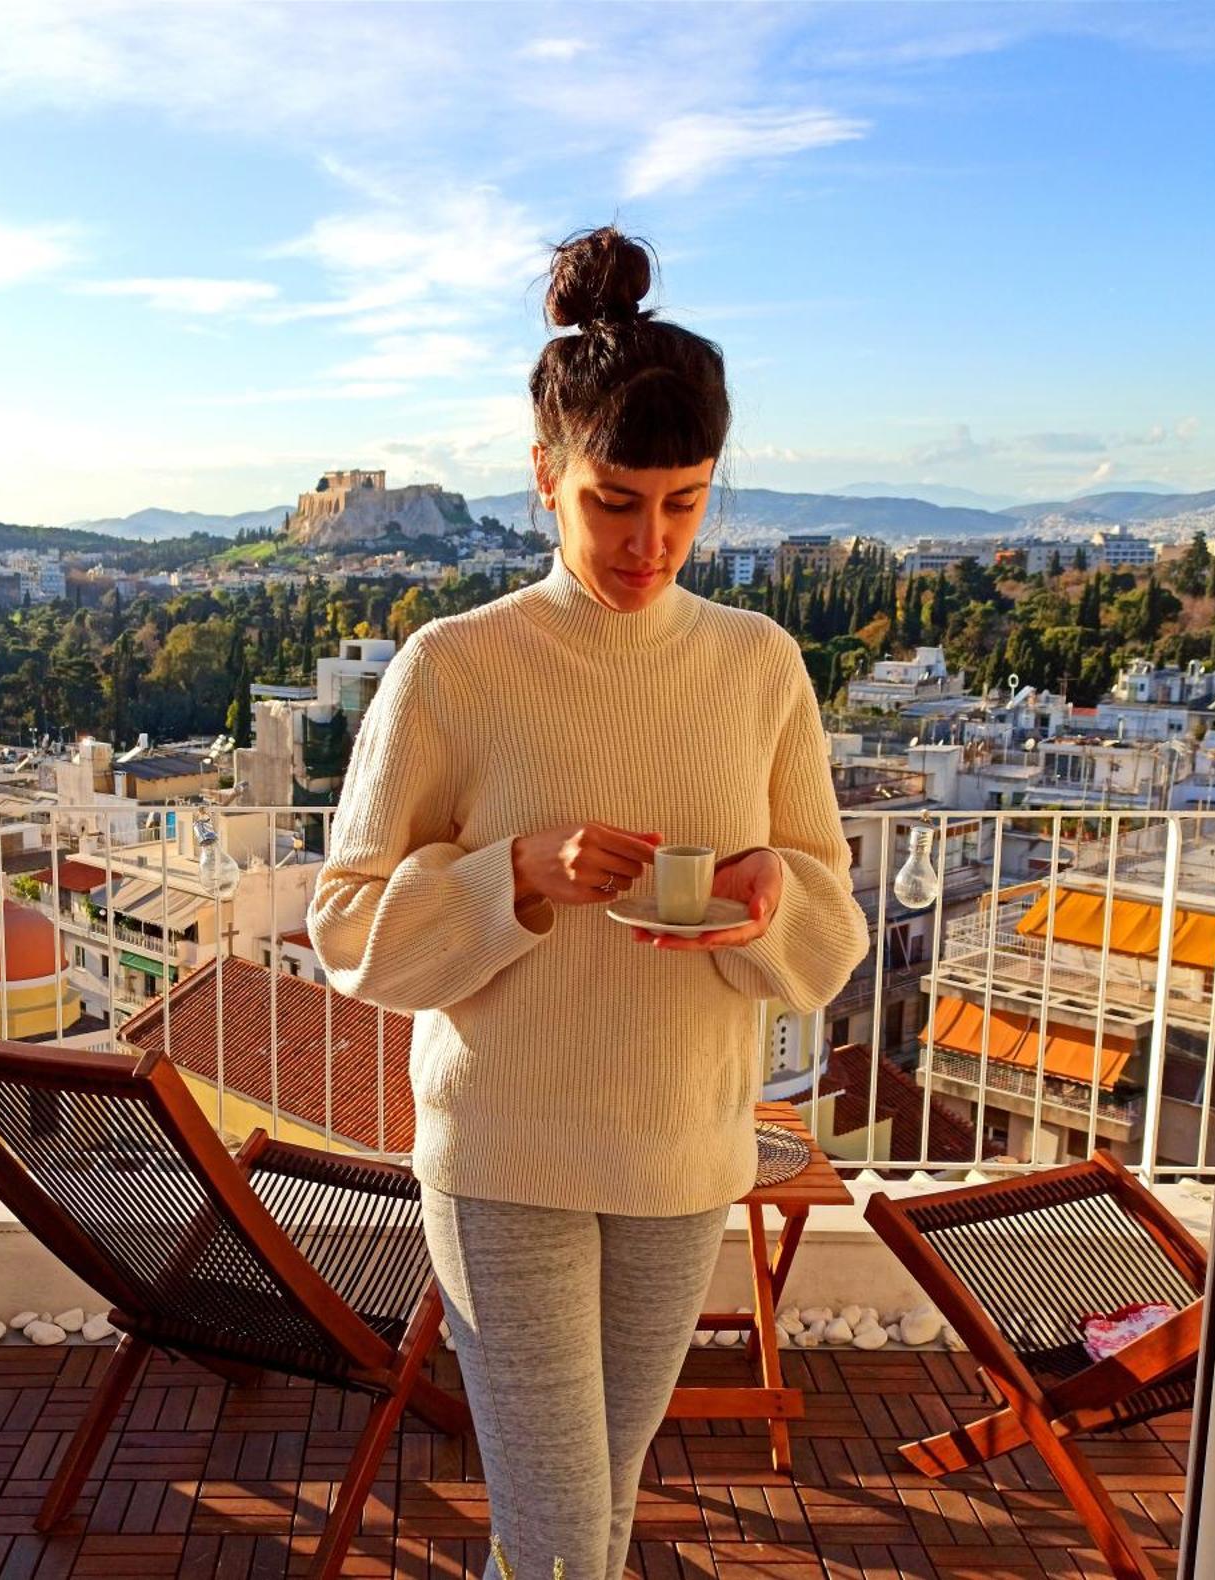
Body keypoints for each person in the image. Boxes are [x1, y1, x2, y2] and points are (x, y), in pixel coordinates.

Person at [305, 225, 872, 1580]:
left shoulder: (757, 665)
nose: (650, 542)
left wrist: (763, 897)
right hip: (507, 1155)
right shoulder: (456, 667)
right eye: (617, 501)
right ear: (546, 476)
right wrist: (516, 878)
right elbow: (343, 927)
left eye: (684, 504)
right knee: (564, 1546)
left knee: (594, 1529)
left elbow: (831, 927)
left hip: (682, 1155)